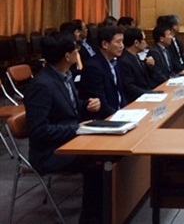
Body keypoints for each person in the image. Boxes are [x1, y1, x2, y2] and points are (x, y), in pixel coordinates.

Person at [25, 31, 102, 223]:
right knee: (98, 163)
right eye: (75, 49)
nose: (78, 51)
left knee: (109, 155)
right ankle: (91, 219)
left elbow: (67, 108)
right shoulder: (42, 85)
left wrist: (87, 105)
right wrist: (76, 128)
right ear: (67, 56)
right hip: (50, 152)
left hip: (70, 139)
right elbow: (38, 131)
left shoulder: (63, 75)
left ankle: (109, 211)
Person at [78, 26, 127, 119]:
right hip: (104, 118)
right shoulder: (93, 67)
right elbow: (100, 102)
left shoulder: (115, 62)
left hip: (118, 113)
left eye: (122, 41)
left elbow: (120, 92)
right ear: (105, 44)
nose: (122, 45)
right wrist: (119, 117)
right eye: (118, 41)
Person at [117, 28, 156, 102]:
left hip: (146, 94)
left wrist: (150, 67)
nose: (146, 42)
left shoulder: (136, 56)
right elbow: (129, 87)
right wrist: (149, 93)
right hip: (136, 99)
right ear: (136, 43)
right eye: (144, 40)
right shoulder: (124, 61)